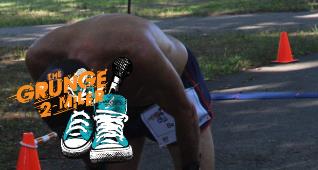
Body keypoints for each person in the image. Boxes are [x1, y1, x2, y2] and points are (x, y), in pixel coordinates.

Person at [25, 14, 214, 169]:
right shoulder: (38, 58)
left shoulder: (138, 52)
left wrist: (191, 166)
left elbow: (185, 113)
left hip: (165, 84)